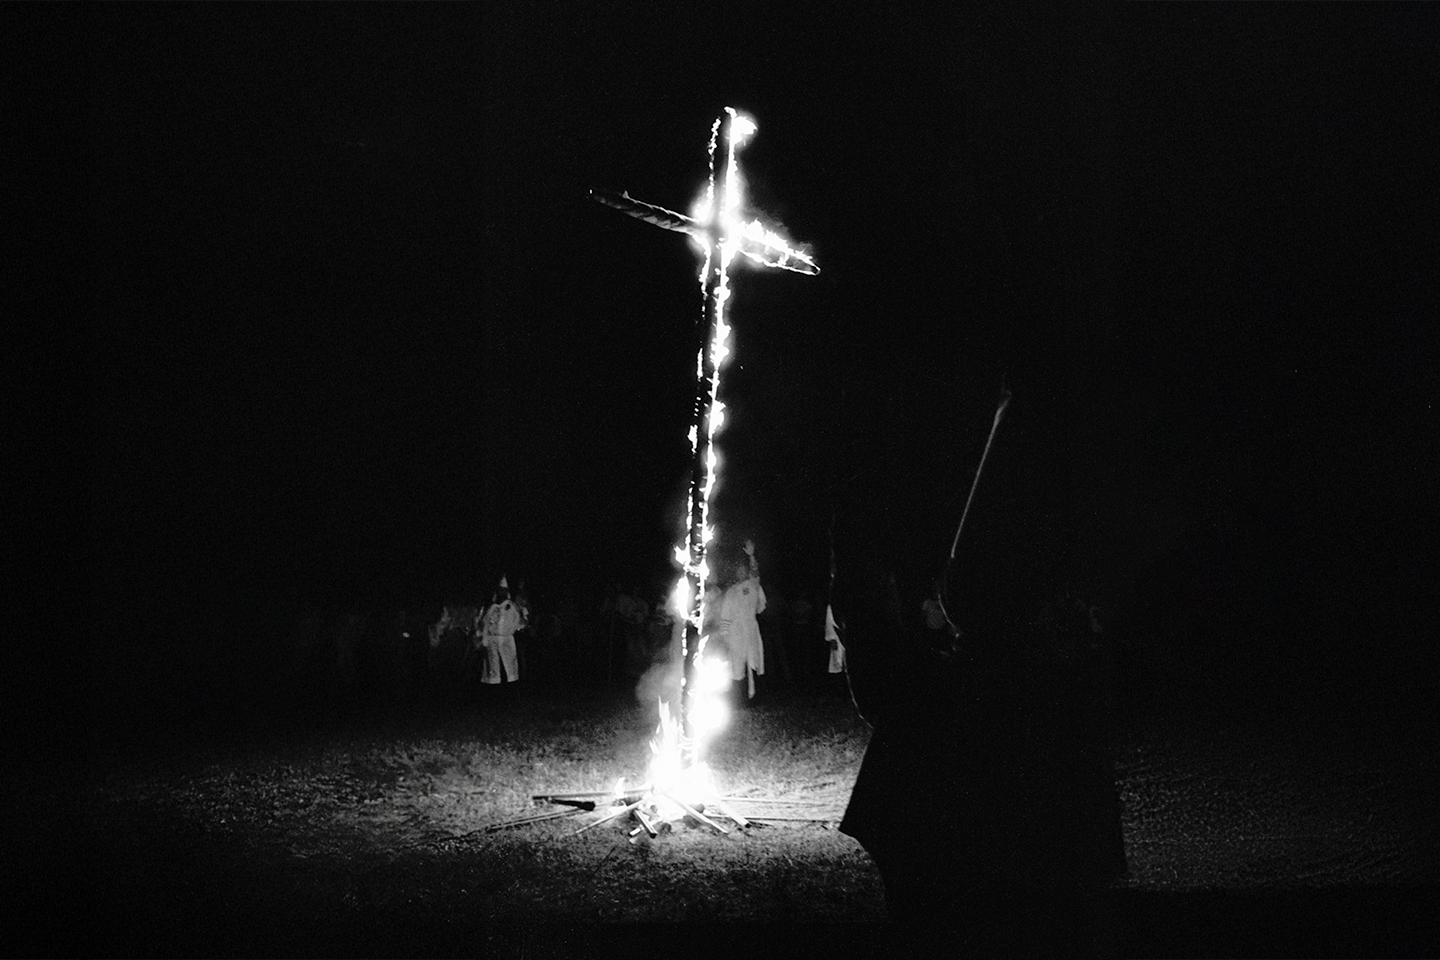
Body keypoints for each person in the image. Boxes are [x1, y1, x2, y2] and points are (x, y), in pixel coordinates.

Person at [831, 542, 1125, 955]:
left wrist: (868, 597)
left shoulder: (952, 689)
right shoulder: (1058, 689)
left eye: (944, 594)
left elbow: (881, 680)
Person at [719, 540, 766, 700]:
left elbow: (755, 574)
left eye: (743, 570)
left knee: (754, 659)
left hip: (751, 628)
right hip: (735, 631)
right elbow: (725, 614)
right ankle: (740, 697)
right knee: (737, 662)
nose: (740, 573)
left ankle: (756, 696)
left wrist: (752, 556)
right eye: (738, 571)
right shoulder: (731, 592)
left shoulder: (752, 586)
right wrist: (724, 635)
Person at [479, 576, 525, 689]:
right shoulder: (492, 608)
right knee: (493, 670)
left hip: (506, 641)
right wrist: (485, 639)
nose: (501, 593)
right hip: (492, 642)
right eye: (499, 590)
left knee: (508, 669)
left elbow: (519, 623)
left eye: (503, 590)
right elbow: (485, 624)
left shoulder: (512, 607)